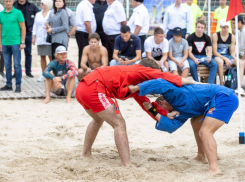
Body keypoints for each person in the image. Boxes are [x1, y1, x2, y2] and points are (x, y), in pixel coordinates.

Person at [75, 57, 196, 167]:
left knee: (98, 119)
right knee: (119, 123)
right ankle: (127, 165)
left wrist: (163, 114)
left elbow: (146, 105)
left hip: (82, 87)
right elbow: (164, 76)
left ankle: (86, 153)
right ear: (149, 70)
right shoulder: (141, 70)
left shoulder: (136, 83)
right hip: (94, 88)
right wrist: (193, 82)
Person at [128, 78, 238, 174]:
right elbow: (170, 126)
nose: (168, 113)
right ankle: (201, 156)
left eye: (166, 111)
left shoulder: (174, 95)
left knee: (205, 132)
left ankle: (214, 169)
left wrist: (137, 88)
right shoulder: (178, 110)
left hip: (224, 97)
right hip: (213, 101)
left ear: (161, 103)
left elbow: (159, 83)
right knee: (195, 122)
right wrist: (152, 111)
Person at [212, 19, 245, 93]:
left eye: (227, 27)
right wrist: (225, 59)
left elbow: (232, 52)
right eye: (224, 27)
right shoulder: (215, 35)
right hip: (218, 56)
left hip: (227, 55)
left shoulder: (232, 36)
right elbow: (214, 52)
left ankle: (238, 86)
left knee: (240, 62)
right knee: (220, 62)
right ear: (221, 27)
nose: (226, 29)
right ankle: (221, 83)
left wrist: (234, 58)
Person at [0, 0, 26, 93]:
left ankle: (18, 85)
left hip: (15, 42)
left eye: (10, 1)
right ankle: (8, 84)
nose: (8, 3)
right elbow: (0, 29)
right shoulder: (1, 14)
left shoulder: (18, 13)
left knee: (17, 65)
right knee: (7, 65)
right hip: (5, 42)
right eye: (6, 1)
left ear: (12, 2)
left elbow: (23, 27)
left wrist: (22, 42)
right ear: (3, 2)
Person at [14, 0, 39, 78]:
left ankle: (28, 72)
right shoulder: (13, 5)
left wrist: (34, 32)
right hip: (16, 34)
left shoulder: (32, 6)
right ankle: (16, 72)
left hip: (28, 33)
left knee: (28, 53)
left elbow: (39, 17)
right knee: (16, 54)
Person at [32, 0, 53, 82]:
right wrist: (34, 36)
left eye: (42, 3)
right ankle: (44, 74)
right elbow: (35, 26)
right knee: (42, 56)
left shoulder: (52, 13)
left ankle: (51, 73)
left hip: (49, 38)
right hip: (40, 38)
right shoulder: (38, 14)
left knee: (51, 57)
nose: (40, 5)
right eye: (40, 3)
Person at [76, 0, 97, 69]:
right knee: (84, 53)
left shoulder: (86, 4)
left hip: (83, 33)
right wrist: (91, 35)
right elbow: (87, 22)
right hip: (84, 33)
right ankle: (82, 73)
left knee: (84, 53)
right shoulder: (86, 6)